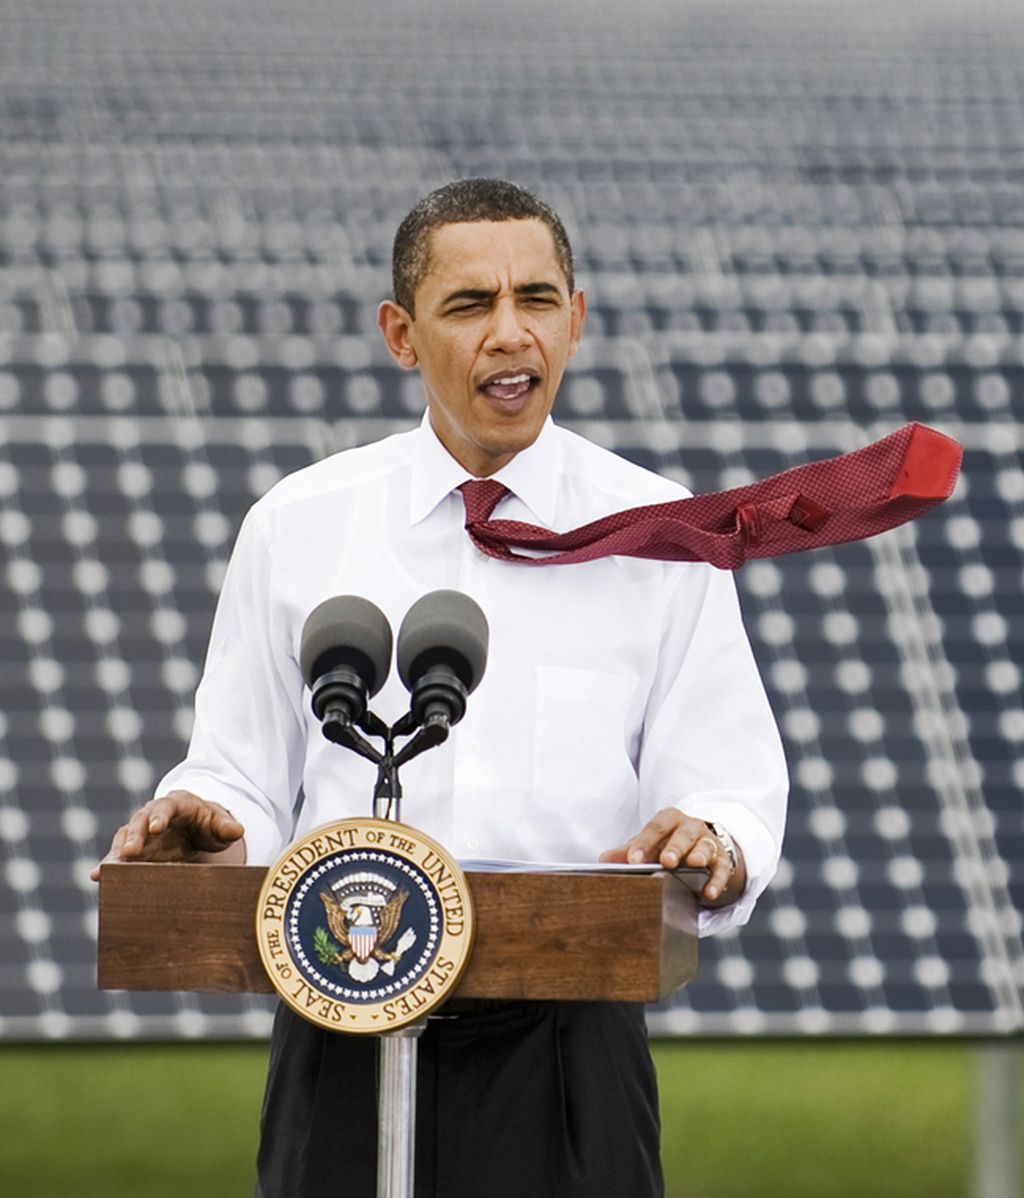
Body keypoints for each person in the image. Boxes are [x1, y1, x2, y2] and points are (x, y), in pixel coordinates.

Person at [94, 178, 788, 1198]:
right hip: (338, 1018)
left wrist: (714, 841)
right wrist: (212, 826)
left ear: (576, 320)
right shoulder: (298, 525)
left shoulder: (661, 531)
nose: (510, 334)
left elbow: (728, 779)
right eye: (469, 306)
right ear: (400, 334)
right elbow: (236, 769)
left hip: (566, 1050)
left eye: (537, 300)